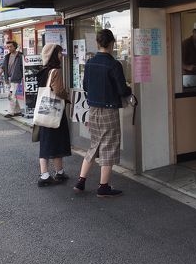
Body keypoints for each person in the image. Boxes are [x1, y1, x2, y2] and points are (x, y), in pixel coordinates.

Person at [74, 29, 132, 197]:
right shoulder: (114, 65)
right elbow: (122, 89)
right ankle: (103, 186)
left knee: (94, 145)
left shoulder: (90, 63)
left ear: (98, 44)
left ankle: (81, 181)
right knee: (109, 146)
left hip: (92, 109)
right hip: (109, 110)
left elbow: (85, 86)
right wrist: (129, 90)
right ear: (112, 43)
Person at [35, 44, 72, 187]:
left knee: (46, 141)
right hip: (54, 112)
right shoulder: (55, 71)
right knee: (57, 141)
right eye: (58, 53)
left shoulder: (43, 71)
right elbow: (58, 90)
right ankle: (52, 174)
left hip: (43, 111)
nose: (61, 56)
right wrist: (66, 96)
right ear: (52, 55)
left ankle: (53, 173)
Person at [0, 40, 24, 118]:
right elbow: (3, 67)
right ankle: (17, 111)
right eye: (8, 47)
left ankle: (11, 112)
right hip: (8, 79)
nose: (9, 48)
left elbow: (24, 67)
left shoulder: (20, 56)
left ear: (15, 46)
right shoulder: (7, 56)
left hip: (16, 78)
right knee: (13, 95)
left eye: (10, 46)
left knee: (11, 95)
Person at [181, 21, 196, 88]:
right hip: (188, 76)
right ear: (194, 32)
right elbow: (177, 61)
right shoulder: (185, 44)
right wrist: (187, 67)